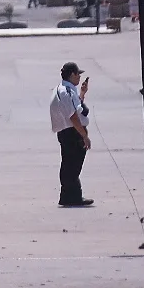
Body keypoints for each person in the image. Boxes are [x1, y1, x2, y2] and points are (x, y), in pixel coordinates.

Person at [49, 61, 93, 207]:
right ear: (72, 74)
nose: (79, 77)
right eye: (77, 74)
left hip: (67, 131)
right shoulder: (66, 91)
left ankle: (69, 195)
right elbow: (73, 116)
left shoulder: (64, 89)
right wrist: (84, 136)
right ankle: (71, 196)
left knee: (69, 164)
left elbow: (76, 107)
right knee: (72, 166)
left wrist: (82, 93)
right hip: (72, 132)